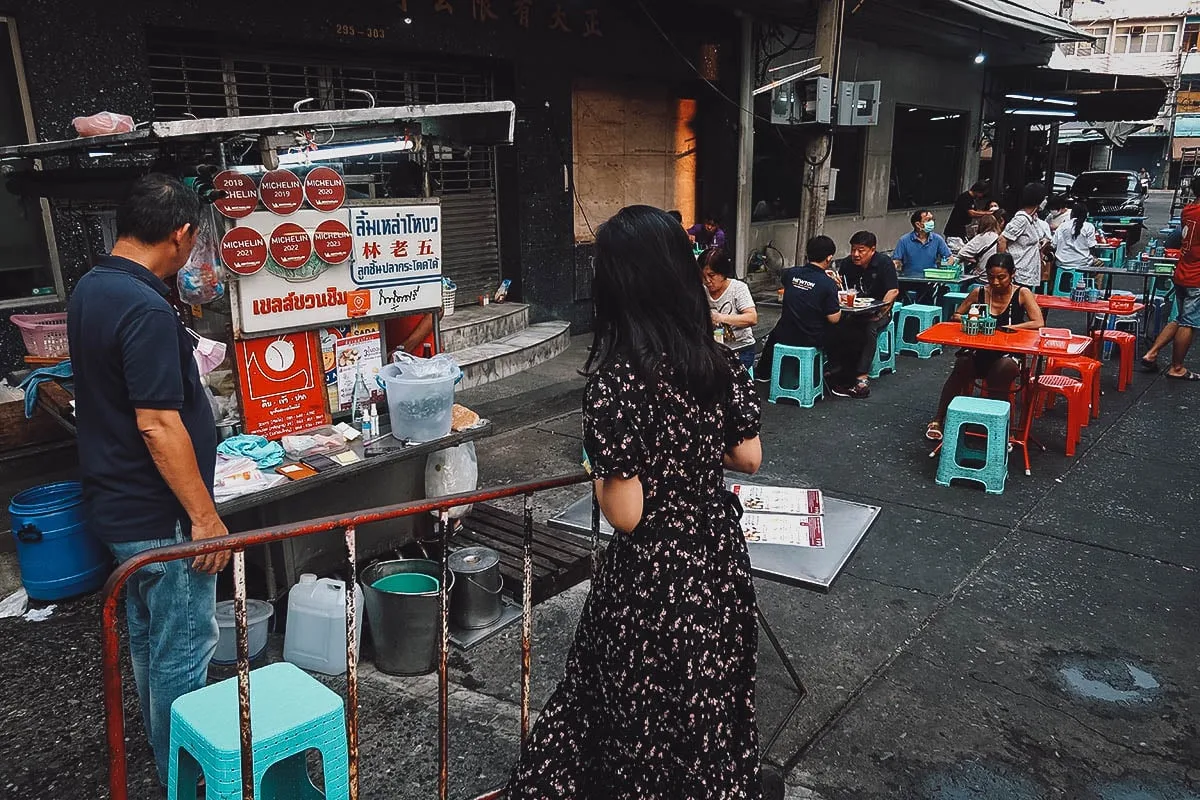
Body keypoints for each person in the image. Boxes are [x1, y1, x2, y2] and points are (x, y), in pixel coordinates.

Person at [504, 205, 767, 797]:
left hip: (651, 581)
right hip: (715, 564)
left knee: (635, 709)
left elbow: (626, 513)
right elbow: (747, 457)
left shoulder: (618, 379)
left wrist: (600, 467)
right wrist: (689, 445)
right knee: (709, 704)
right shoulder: (718, 361)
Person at [66, 174, 225, 786]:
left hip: (117, 508)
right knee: (183, 651)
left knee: (149, 641)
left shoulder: (93, 287)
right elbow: (158, 424)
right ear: (182, 235)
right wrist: (205, 519)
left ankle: (163, 755)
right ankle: (184, 777)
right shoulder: (145, 306)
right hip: (161, 518)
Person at [925, 253, 1045, 441]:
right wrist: (971, 319)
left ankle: (999, 427)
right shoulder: (979, 293)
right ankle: (939, 419)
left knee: (1003, 369)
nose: (995, 282)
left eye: (1001, 277)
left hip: (1008, 355)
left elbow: (1038, 322)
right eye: (991, 277)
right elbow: (956, 315)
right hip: (979, 353)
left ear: (1012, 274)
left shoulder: (1022, 293)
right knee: (962, 364)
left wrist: (1010, 328)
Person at [753, 235, 844, 385]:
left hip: (783, 335)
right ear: (829, 258)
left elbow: (799, 284)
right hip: (810, 338)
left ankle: (763, 373)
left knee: (780, 327)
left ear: (807, 254)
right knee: (841, 330)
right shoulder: (828, 284)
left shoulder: (791, 274)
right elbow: (833, 318)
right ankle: (835, 375)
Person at [1142, 175, 1200, 380]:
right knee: (1189, 323)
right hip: (1197, 277)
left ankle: (1152, 353)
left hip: (1183, 271)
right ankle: (1177, 367)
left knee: (1179, 317)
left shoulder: (1188, 211)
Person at [833, 230, 900, 397]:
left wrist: (881, 312)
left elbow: (893, 291)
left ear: (872, 249)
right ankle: (837, 365)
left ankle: (862, 376)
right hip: (854, 309)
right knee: (837, 325)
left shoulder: (884, 263)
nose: (856, 254)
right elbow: (841, 286)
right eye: (853, 249)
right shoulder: (848, 263)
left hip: (879, 311)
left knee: (869, 328)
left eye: (861, 250)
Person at [700, 247, 759, 371]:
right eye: (703, 276)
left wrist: (721, 317)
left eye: (712, 275)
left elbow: (752, 318)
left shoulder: (738, 288)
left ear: (723, 272)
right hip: (714, 350)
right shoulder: (702, 290)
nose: (707, 281)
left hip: (741, 350)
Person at [998, 182, 1049, 288]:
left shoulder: (1033, 219)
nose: (1046, 201)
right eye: (1044, 198)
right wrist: (1001, 266)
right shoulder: (1021, 219)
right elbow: (1002, 240)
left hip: (1027, 273)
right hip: (1018, 273)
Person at [893, 209, 952, 277]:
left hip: (931, 280)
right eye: (928, 220)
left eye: (933, 219)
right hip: (910, 280)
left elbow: (950, 258)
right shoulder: (904, 240)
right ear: (918, 224)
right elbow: (896, 261)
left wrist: (943, 270)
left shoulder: (937, 239)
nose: (932, 222)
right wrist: (897, 266)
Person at [1050, 202, 1098, 275]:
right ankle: (1095, 285)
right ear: (1086, 215)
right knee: (1100, 264)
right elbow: (1092, 247)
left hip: (1062, 263)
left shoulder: (1062, 226)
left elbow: (1053, 244)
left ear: (1072, 214)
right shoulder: (1089, 226)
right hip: (1082, 263)